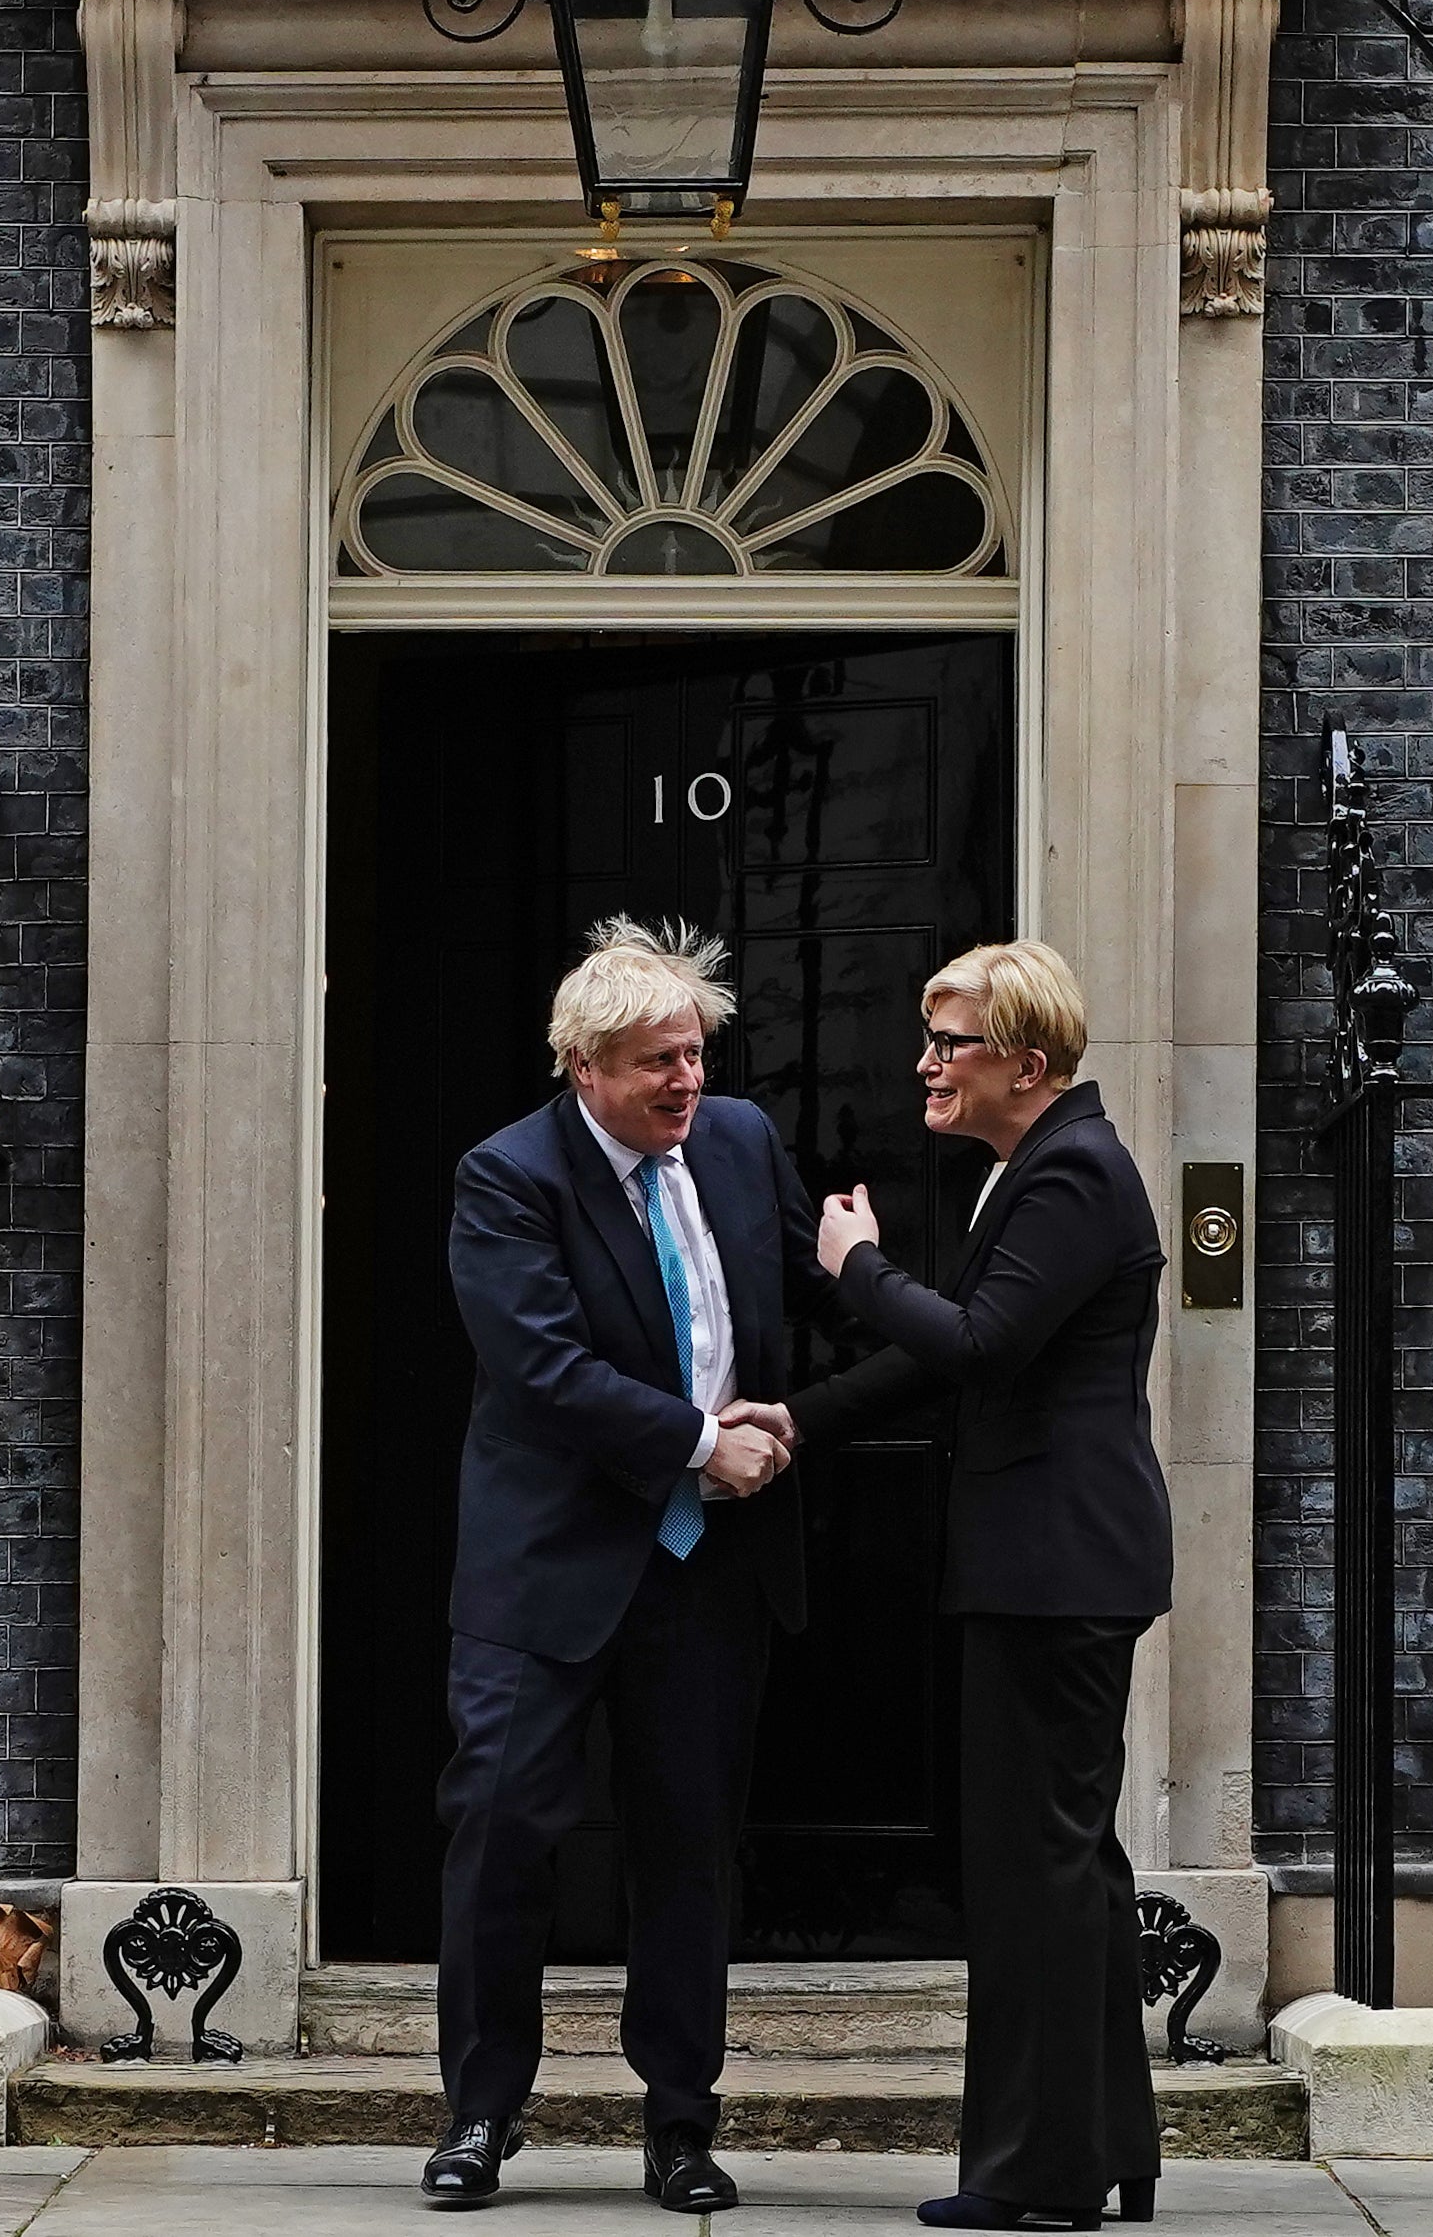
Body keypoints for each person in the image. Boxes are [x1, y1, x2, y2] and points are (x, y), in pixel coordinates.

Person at [749, 940, 1173, 2233]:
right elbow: (962, 1355)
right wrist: (804, 1417)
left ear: (1027, 1065)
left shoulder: (1072, 1175)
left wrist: (854, 1267)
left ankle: (1040, 2178)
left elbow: (978, 1347)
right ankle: (1109, 2150)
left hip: (1057, 1561)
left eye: (952, 1043)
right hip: (1059, 1557)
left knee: (1033, 1868)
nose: (926, 1064)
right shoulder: (1041, 1170)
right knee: (1071, 1863)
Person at [428, 917, 814, 2214]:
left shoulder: (745, 1144)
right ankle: (481, 2113)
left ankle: (682, 2125)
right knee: (499, 1833)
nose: (687, 1084)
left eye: (696, 1056)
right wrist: (706, 1440)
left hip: (711, 1572)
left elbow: (808, 1290)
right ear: (583, 1066)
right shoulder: (508, 1178)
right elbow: (543, 1373)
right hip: (548, 1569)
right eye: (658, 1063)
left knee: (691, 1847)